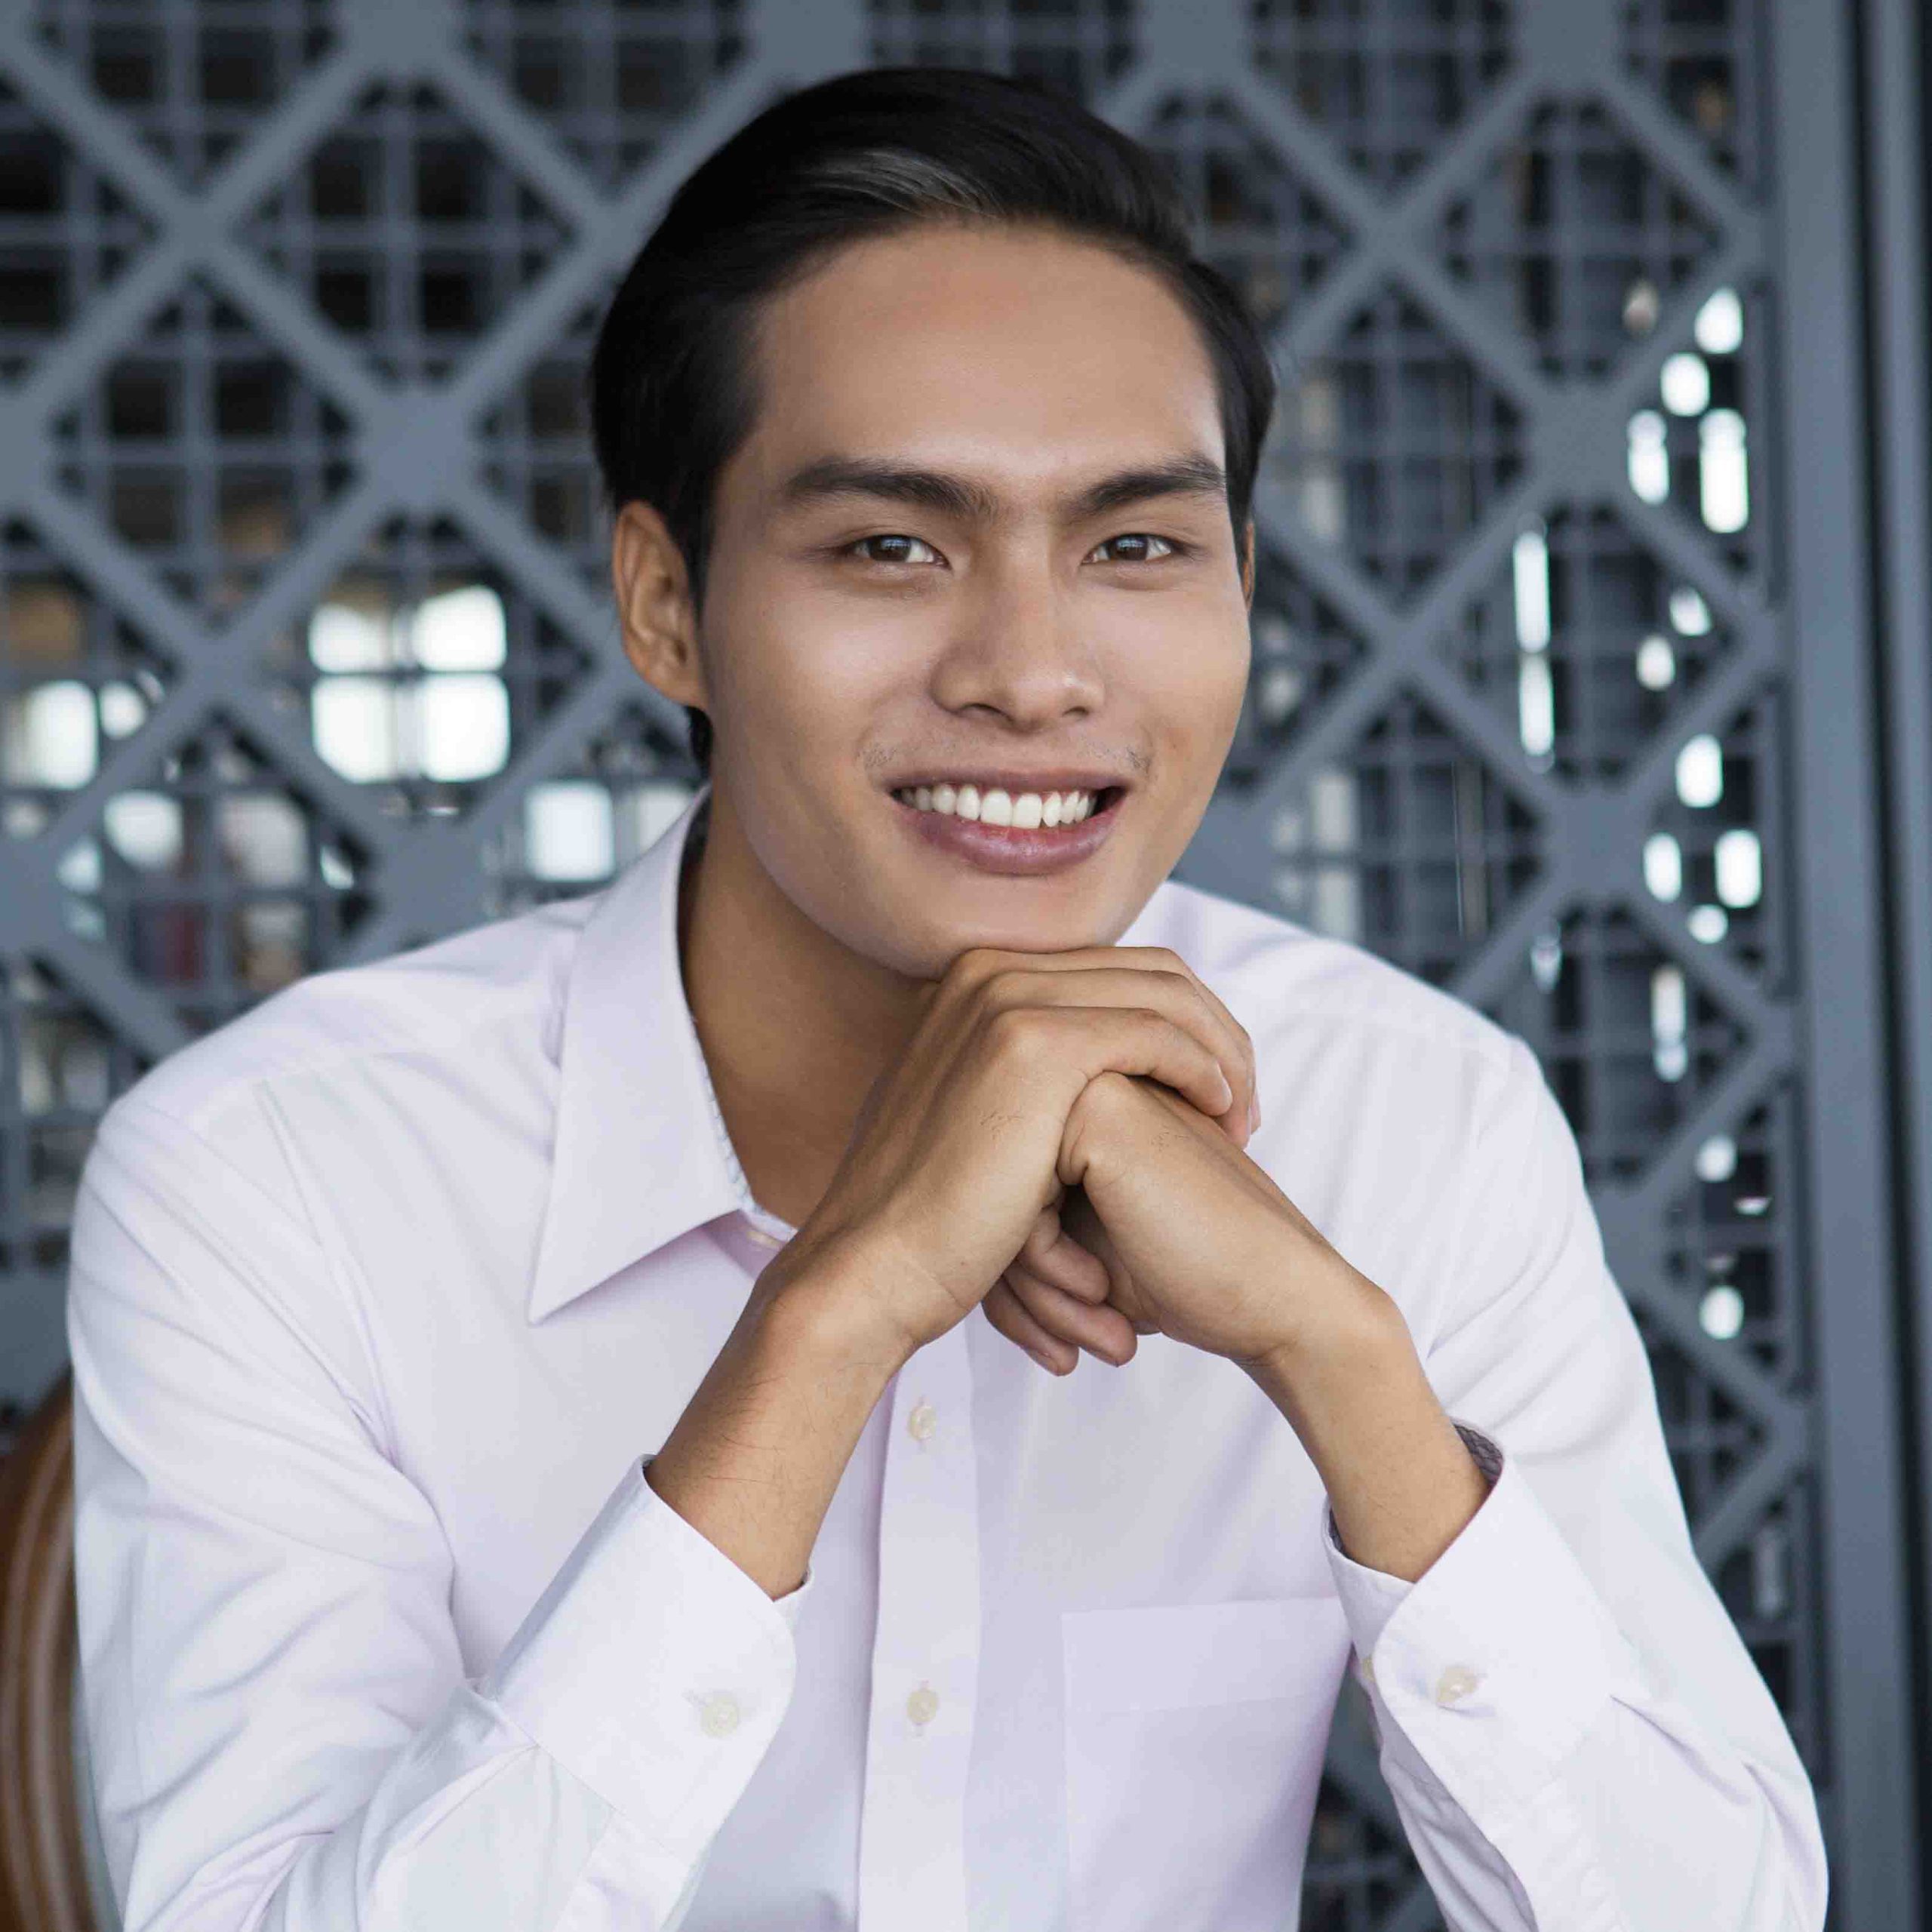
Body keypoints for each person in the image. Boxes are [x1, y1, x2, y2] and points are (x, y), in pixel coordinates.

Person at [66, 64, 1826, 1932]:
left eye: (1135, 543)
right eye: (889, 546)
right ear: (665, 604)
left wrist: (1343, 1364)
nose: (1031, 669)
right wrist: (830, 1319)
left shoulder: (1415, 1113)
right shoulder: (278, 1176)